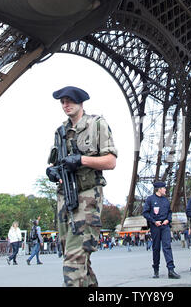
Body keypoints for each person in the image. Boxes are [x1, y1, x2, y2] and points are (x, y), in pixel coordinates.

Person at [46, 86, 118, 287]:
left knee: (73, 261)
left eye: (69, 100)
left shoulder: (97, 124)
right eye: (62, 101)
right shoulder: (60, 132)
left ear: (81, 102)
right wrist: (52, 171)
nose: (65, 105)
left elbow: (111, 161)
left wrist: (82, 160)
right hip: (64, 198)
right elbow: (56, 163)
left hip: (87, 197)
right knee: (76, 258)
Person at [143, 181, 180, 279]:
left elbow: (169, 212)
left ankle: (171, 270)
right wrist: (154, 221)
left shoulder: (166, 200)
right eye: (164, 188)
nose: (165, 190)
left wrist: (168, 219)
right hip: (155, 226)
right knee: (156, 248)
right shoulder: (150, 199)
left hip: (165, 226)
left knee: (167, 247)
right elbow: (145, 213)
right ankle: (156, 270)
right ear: (159, 189)